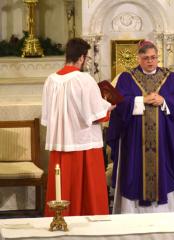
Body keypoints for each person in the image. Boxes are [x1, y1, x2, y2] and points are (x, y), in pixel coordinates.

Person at [107, 40, 174, 213]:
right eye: (146, 58)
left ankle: (167, 213)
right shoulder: (127, 78)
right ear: (138, 58)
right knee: (134, 173)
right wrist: (141, 100)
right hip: (135, 141)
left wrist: (164, 100)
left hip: (164, 140)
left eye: (153, 57)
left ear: (158, 57)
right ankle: (133, 213)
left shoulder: (171, 78)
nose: (150, 62)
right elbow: (119, 104)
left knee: (165, 170)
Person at [41, 38, 114, 216]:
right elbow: (96, 114)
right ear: (82, 57)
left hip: (60, 144)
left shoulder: (50, 80)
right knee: (89, 191)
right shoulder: (84, 80)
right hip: (84, 144)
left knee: (62, 186)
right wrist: (109, 106)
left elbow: (48, 116)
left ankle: (60, 219)